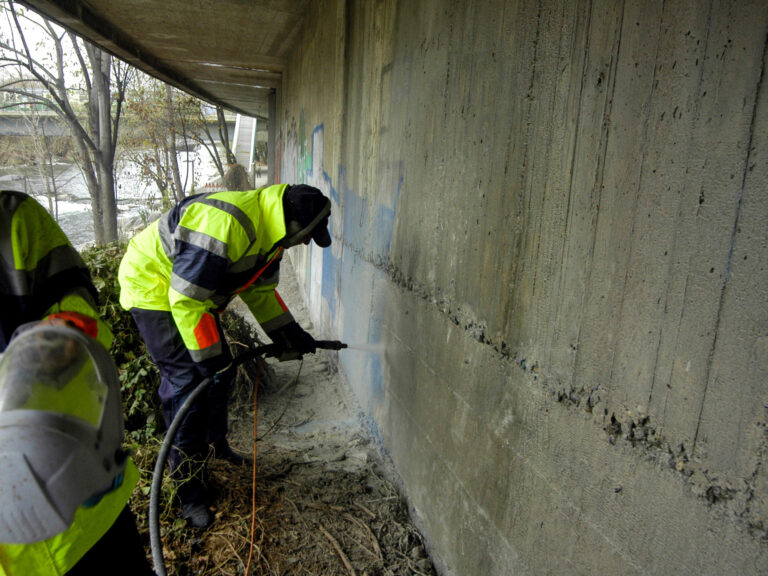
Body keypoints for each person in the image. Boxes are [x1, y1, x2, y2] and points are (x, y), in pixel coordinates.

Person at [118, 183, 332, 529]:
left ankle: (216, 449)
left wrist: (290, 334)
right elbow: (185, 300)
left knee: (223, 371)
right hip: (152, 286)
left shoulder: (271, 239)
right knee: (189, 383)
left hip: (186, 295)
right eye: (308, 234)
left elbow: (260, 293)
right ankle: (189, 495)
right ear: (293, 221)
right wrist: (209, 362)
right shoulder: (227, 224)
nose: (307, 242)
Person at [0, 190, 153, 575]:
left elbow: (76, 310)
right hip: (17, 553)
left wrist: (62, 338)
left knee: (192, 378)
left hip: (82, 503)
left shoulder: (13, 219)